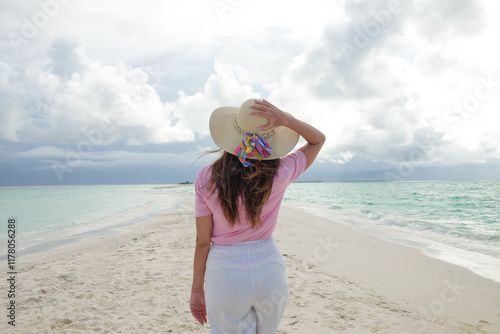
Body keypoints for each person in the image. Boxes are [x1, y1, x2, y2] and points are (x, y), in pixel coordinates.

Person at [190, 98, 325, 333]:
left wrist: (196, 289)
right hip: (269, 269)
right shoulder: (282, 171)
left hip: (225, 272)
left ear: (231, 134)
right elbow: (318, 139)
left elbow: (203, 242)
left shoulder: (206, 177)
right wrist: (287, 120)